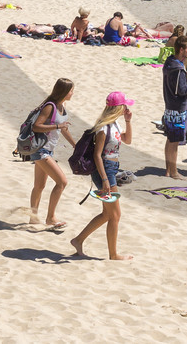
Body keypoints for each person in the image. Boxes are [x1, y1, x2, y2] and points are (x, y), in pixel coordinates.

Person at [70, 92, 133, 261]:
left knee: (107, 214)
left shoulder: (115, 125)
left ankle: (78, 240)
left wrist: (128, 121)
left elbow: (127, 140)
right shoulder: (103, 128)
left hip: (111, 168)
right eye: (124, 106)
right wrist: (105, 180)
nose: (126, 108)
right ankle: (113, 254)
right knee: (115, 215)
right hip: (104, 171)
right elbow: (98, 155)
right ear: (118, 107)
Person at [27, 78, 75, 230]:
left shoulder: (62, 106)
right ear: (65, 91)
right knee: (62, 182)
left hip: (48, 150)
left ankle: (33, 218)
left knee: (39, 185)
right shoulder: (50, 106)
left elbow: (63, 128)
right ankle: (51, 218)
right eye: (71, 90)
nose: (73, 93)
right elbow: (36, 127)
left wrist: (75, 145)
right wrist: (56, 125)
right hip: (40, 150)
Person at [161, 38, 187, 178]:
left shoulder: (169, 62)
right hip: (177, 108)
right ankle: (174, 172)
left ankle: (169, 170)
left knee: (170, 139)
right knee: (174, 141)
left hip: (169, 105)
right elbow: (182, 90)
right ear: (181, 49)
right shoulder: (178, 69)